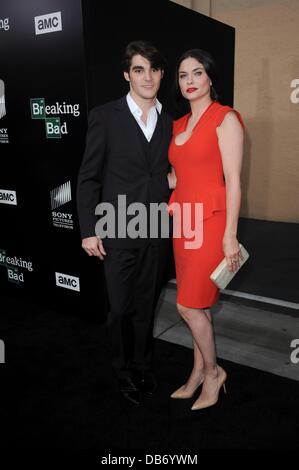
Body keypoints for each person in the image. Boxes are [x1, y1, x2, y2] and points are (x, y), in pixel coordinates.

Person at [76, 41, 172, 407]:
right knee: (119, 308)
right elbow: (88, 178)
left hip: (156, 230)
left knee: (147, 306)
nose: (147, 77)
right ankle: (122, 370)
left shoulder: (170, 120)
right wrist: (88, 229)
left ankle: (144, 365)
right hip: (116, 229)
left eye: (153, 69)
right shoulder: (105, 116)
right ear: (126, 75)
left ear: (162, 74)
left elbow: (165, 171)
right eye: (138, 69)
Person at [167, 48, 244, 410]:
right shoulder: (178, 125)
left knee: (187, 306)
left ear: (210, 77)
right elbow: (177, 176)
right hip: (182, 223)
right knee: (198, 304)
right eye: (183, 75)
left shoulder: (225, 118)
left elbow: (234, 181)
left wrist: (230, 235)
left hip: (211, 223)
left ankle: (213, 373)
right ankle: (197, 371)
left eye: (197, 73)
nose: (190, 82)